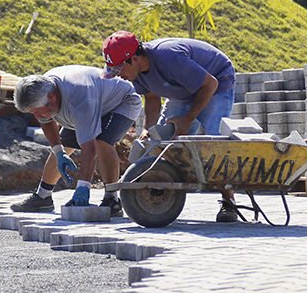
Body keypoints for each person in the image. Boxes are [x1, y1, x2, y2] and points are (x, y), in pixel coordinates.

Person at [102, 31, 239, 223]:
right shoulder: (137, 74)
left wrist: (188, 118)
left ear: (134, 59)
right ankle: (156, 192)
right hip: (183, 88)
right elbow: (151, 99)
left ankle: (228, 202)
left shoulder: (169, 57)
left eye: (119, 70)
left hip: (216, 81)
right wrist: (148, 129)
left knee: (215, 144)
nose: (119, 76)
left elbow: (210, 84)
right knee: (160, 141)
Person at [10, 65, 142, 216]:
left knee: (102, 141)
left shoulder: (80, 99)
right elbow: (46, 121)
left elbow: (90, 148)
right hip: (92, 102)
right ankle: (43, 196)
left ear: (52, 98)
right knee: (64, 145)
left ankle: (112, 199)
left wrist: (83, 187)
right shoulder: (45, 89)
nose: (37, 116)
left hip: (121, 103)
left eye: (37, 111)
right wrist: (59, 152)